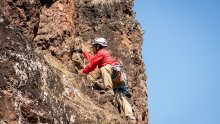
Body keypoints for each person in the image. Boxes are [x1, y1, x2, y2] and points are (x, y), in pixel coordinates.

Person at [73, 37, 136, 122]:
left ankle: (109, 90)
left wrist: (83, 72)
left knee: (104, 68)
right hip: (119, 76)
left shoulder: (102, 52)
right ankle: (131, 117)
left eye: (94, 46)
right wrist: (83, 52)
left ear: (98, 46)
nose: (93, 48)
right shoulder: (102, 54)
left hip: (115, 73)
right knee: (120, 97)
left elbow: (92, 65)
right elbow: (93, 60)